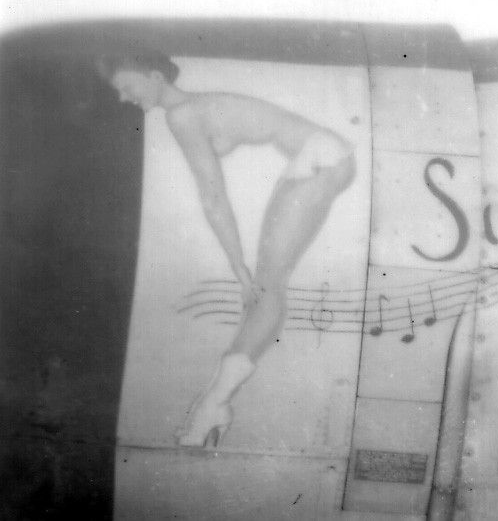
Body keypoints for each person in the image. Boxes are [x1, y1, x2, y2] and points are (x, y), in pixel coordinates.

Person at [97, 49, 356, 447]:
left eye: (127, 87)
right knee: (267, 288)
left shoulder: (182, 114)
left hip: (321, 158)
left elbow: (213, 198)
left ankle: (213, 406)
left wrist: (238, 267)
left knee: (266, 287)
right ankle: (215, 405)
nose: (123, 97)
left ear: (155, 77)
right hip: (323, 155)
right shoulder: (194, 107)